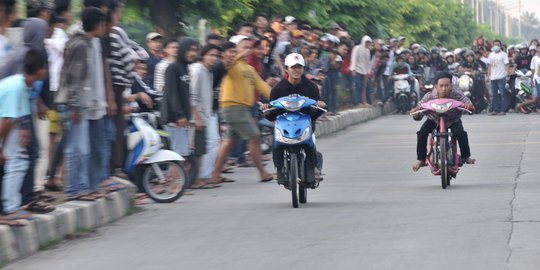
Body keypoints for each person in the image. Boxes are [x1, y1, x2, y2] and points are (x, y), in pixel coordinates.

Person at [55, 7, 106, 200]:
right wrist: (76, 106)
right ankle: (73, 190)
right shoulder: (81, 45)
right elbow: (75, 79)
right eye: (102, 24)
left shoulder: (83, 43)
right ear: (96, 25)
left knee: (80, 148)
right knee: (76, 148)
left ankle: (79, 188)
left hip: (77, 103)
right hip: (73, 104)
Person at [208, 39, 273, 184]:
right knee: (254, 136)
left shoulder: (249, 68)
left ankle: (215, 173)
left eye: (250, 47)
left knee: (229, 141)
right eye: (244, 47)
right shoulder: (231, 64)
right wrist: (237, 54)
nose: (248, 50)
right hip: (233, 107)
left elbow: (262, 86)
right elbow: (227, 62)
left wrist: (279, 97)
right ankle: (262, 172)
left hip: (243, 108)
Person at [0, 50, 49, 220]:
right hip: (3, 125)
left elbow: (13, 118)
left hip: (6, 125)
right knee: (18, 161)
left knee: (18, 159)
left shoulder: (24, 85)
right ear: (41, 70)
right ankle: (10, 208)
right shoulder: (18, 87)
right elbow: (6, 120)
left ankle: (10, 207)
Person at [265, 53, 326, 186]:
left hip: (305, 122)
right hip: (284, 124)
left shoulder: (311, 86)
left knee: (310, 143)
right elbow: (271, 110)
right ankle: (279, 169)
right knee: (276, 142)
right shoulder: (278, 88)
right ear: (287, 69)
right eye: (293, 67)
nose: (297, 70)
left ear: (303, 68)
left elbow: (319, 106)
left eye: (299, 67)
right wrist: (266, 108)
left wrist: (320, 104)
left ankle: (313, 168)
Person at [411, 72, 476, 172]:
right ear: (436, 86)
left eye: (447, 85)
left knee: (460, 133)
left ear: (451, 85)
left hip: (452, 121)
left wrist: (469, 106)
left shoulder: (457, 94)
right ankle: (421, 159)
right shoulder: (429, 96)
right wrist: (416, 111)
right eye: (441, 86)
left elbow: (467, 103)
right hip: (434, 120)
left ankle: (466, 157)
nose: (444, 89)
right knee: (422, 133)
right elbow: (420, 107)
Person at [189, 44, 222, 189]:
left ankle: (204, 176)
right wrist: (197, 117)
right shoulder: (197, 70)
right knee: (200, 148)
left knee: (213, 143)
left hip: (208, 113)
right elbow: (192, 96)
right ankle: (198, 178)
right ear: (203, 55)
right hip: (198, 115)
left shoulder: (209, 71)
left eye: (216, 56)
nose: (214, 58)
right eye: (211, 55)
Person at [161, 37, 199, 161]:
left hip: (182, 119)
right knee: (178, 155)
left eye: (195, 50)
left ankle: (176, 179)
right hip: (174, 119)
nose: (193, 53)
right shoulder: (173, 68)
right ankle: (175, 180)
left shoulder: (186, 68)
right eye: (189, 50)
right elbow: (172, 94)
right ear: (182, 50)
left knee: (181, 154)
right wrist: (180, 115)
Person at [487, 41, 509, 115]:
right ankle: (496, 110)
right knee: (494, 94)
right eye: (495, 44)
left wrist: (507, 75)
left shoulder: (503, 54)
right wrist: (488, 76)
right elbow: (489, 66)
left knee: (502, 94)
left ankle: (503, 110)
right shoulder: (491, 54)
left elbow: (507, 65)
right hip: (493, 77)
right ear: (493, 45)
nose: (496, 46)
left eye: (498, 45)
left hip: (501, 76)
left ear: (500, 45)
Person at [350, 35, 372, 106]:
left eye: (369, 42)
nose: (367, 44)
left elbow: (368, 62)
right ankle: (358, 102)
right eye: (366, 42)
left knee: (364, 87)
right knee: (358, 86)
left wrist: (368, 71)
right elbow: (354, 58)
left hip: (364, 71)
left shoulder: (368, 50)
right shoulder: (357, 48)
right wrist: (353, 69)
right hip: (357, 70)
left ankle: (364, 101)